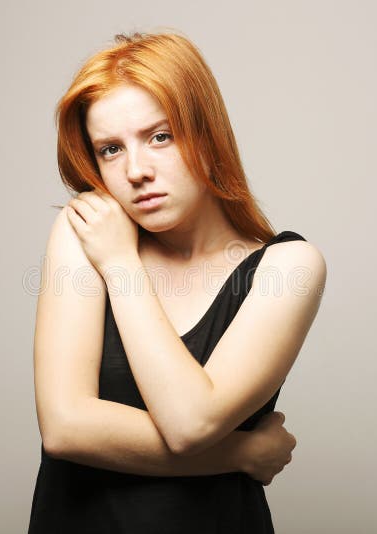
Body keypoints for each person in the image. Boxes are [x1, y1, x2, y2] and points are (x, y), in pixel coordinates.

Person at [29, 30, 326, 533]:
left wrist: (121, 265)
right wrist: (242, 452)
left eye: (160, 136)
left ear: (208, 134)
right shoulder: (83, 233)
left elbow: (189, 422)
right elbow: (66, 428)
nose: (137, 170)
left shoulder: (289, 267)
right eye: (110, 150)